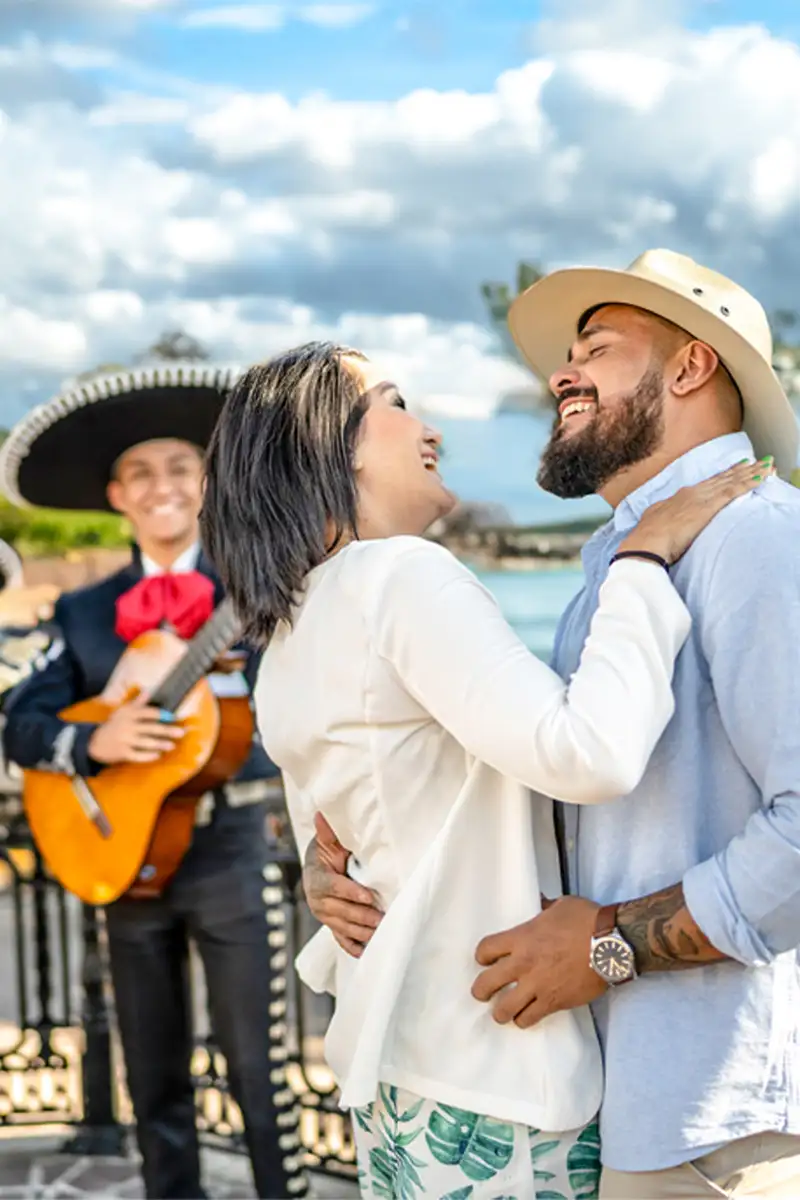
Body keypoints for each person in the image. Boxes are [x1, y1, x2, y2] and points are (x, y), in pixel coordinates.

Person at [199, 339, 766, 1200]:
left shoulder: (287, 628)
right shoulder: (402, 577)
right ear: (330, 442)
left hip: (401, 1070)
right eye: (394, 401)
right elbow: (592, 752)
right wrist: (642, 561)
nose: (428, 428)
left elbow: (331, 835)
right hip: (499, 1077)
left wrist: (321, 871)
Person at [0, 364, 308, 1200]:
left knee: (260, 1073)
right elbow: (21, 722)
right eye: (140, 472)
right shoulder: (82, 610)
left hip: (234, 852)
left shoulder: (263, 583)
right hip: (124, 861)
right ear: (115, 494)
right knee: (153, 1074)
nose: (161, 486)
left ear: (208, 481)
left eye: (179, 466)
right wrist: (95, 740)